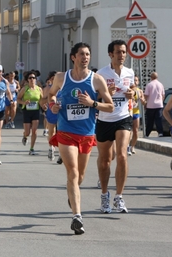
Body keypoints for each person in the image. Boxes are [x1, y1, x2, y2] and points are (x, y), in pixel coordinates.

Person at [48, 42, 114, 234]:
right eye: (81, 54)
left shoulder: (97, 80)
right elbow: (51, 96)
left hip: (86, 133)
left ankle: (72, 193)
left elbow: (110, 106)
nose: (85, 57)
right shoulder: (61, 77)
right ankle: (77, 216)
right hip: (66, 131)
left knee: (81, 177)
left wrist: (93, 103)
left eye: (88, 54)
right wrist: (53, 105)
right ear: (73, 57)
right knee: (73, 172)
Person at [95, 39, 136, 213]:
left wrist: (133, 93)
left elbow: (133, 88)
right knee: (105, 162)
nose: (121, 55)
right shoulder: (101, 74)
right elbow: (94, 98)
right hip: (105, 119)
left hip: (123, 117)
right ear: (110, 54)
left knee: (122, 156)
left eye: (124, 52)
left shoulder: (129, 72)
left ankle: (119, 197)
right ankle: (105, 196)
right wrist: (105, 95)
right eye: (118, 52)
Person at [17, 71, 44, 155]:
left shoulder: (39, 89)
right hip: (27, 111)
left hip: (35, 111)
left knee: (34, 131)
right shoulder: (25, 89)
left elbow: (42, 100)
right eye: (30, 78)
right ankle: (25, 136)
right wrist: (24, 103)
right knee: (28, 132)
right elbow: (18, 99)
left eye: (33, 78)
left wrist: (44, 107)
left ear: (36, 79)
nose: (32, 79)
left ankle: (31, 148)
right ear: (27, 80)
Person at [42, 71, 59, 161]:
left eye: (55, 78)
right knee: (51, 131)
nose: (54, 80)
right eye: (52, 78)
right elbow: (42, 100)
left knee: (61, 132)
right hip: (51, 111)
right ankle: (51, 148)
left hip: (61, 112)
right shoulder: (48, 89)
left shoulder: (62, 87)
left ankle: (61, 152)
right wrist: (44, 105)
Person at [128, 76, 145, 155]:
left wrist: (143, 101)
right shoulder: (128, 90)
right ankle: (127, 146)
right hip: (128, 113)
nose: (135, 82)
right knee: (129, 131)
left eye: (136, 80)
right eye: (133, 80)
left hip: (136, 112)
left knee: (135, 131)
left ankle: (132, 146)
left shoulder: (139, 91)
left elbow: (144, 102)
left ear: (138, 82)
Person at [144, 72, 165, 137]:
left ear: (151, 77)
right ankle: (160, 132)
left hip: (150, 105)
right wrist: (161, 101)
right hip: (159, 105)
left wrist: (145, 103)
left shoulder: (149, 85)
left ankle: (147, 133)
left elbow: (146, 95)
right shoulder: (160, 84)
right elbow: (163, 95)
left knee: (150, 121)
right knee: (158, 119)